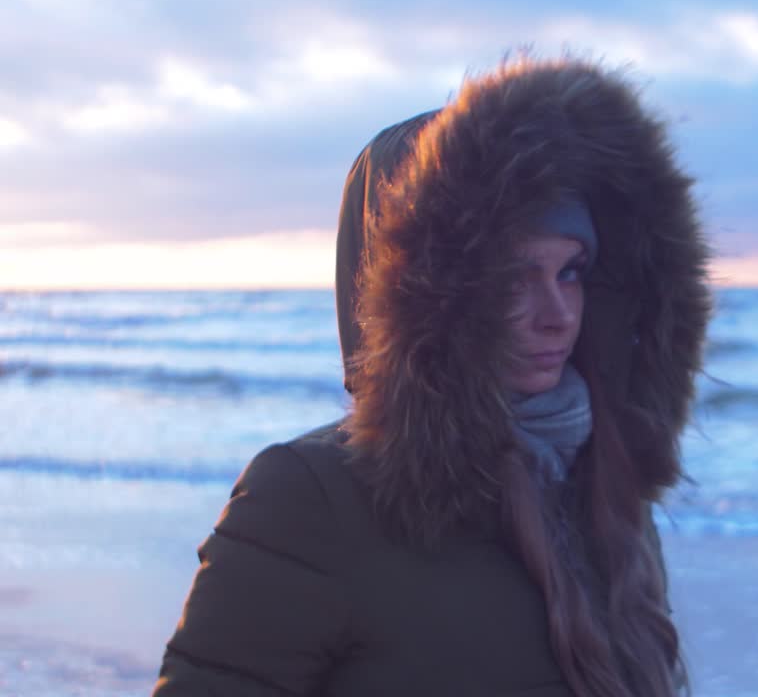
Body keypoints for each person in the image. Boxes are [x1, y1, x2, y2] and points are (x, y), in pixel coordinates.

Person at [151, 55, 713, 696]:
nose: (557, 315)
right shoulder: (310, 500)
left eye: (571, 271)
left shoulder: (604, 491)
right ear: (421, 295)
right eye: (512, 276)